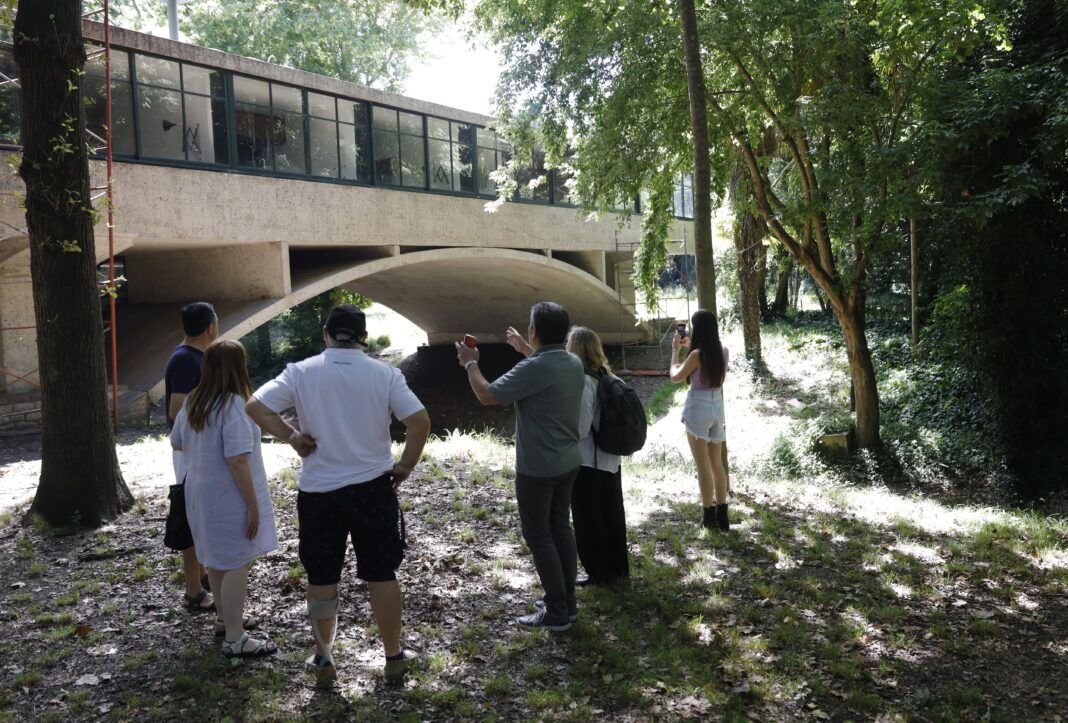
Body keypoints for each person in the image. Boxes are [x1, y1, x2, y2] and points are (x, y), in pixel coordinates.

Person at [246, 305, 430, 685]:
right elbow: (419, 421)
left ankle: (324, 659)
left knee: (322, 575)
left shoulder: (302, 371)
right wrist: (406, 465)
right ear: (362, 336)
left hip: (319, 493)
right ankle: (393, 656)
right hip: (373, 489)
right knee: (382, 573)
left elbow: (256, 406)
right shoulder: (385, 374)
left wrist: (293, 436)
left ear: (327, 332)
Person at [455, 301, 585, 632]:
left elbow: (487, 395)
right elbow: (545, 369)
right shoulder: (572, 362)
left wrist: (470, 364)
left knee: (539, 534)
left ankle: (557, 611)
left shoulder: (535, 368)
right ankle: (566, 602)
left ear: (534, 331)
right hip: (569, 461)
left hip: (539, 468)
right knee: (560, 529)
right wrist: (528, 351)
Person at [171, 340, 279, 657]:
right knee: (238, 561)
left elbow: (177, 443)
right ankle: (235, 637)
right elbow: (238, 460)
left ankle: (224, 620)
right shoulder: (235, 406)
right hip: (229, 495)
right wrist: (253, 506)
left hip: (198, 491)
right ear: (238, 367)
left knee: (216, 559)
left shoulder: (193, 401)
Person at [163, 301, 217, 614]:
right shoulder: (185, 360)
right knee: (192, 518)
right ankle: (193, 591)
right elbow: (177, 410)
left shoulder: (193, 357)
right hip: (191, 454)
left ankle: (202, 576)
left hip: (197, 452)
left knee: (199, 516)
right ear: (210, 327)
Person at [565, 327, 629, 585]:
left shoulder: (583, 381)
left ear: (576, 349)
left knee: (588, 519)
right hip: (611, 458)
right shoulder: (610, 376)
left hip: (587, 461)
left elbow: (580, 427)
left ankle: (598, 573)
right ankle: (618, 569)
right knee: (612, 516)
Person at [670, 309, 730, 530]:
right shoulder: (722, 350)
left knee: (702, 466)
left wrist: (676, 352)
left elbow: (676, 377)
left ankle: (708, 518)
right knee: (717, 463)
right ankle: (723, 516)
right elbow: (709, 362)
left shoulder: (696, 356)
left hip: (699, 406)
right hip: (717, 407)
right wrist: (690, 347)